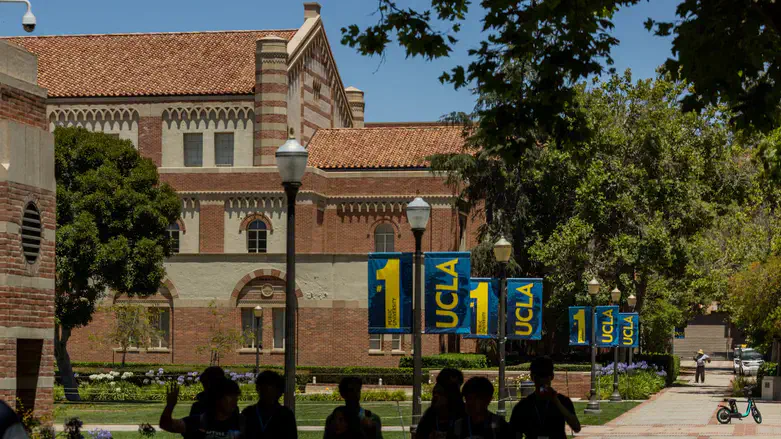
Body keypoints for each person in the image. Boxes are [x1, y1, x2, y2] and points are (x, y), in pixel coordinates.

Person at [510, 357, 580, 439]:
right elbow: (514, 434)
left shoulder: (563, 401)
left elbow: (576, 427)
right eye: (539, 376)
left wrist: (557, 402)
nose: (542, 380)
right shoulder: (523, 406)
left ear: (552, 376)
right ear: (533, 377)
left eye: (545, 376)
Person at [160, 377, 244, 439]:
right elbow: (165, 424)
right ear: (217, 398)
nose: (235, 400)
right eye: (230, 396)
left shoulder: (244, 423)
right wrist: (170, 405)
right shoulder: (199, 421)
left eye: (236, 396)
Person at [242, 371, 297, 439]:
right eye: (264, 388)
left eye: (271, 388)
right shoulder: (248, 413)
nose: (267, 392)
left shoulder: (286, 415)